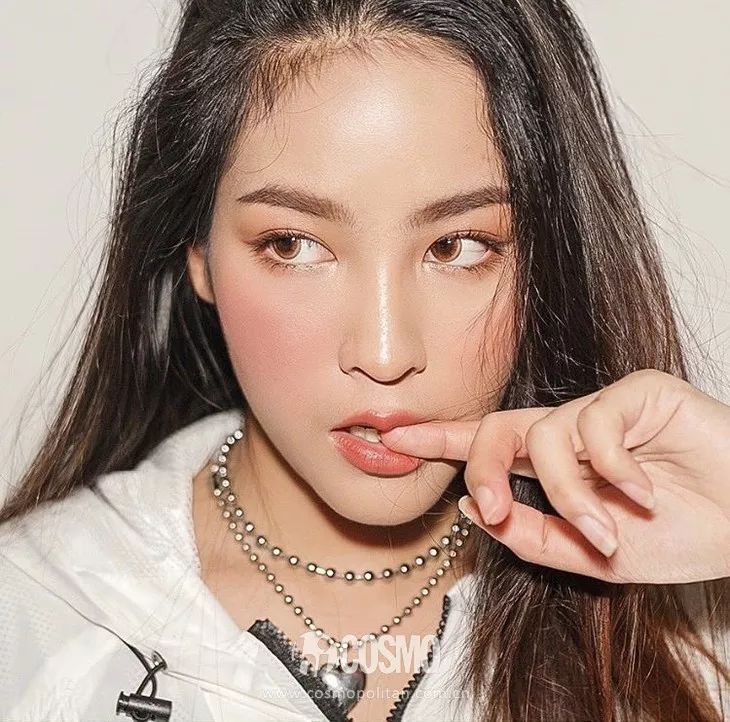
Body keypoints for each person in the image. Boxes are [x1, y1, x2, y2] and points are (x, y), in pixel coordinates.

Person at [0, 0, 728, 720]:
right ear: (199, 256)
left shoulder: (695, 614)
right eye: (292, 245)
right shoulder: (35, 620)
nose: (384, 354)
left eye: (457, 247)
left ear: (551, 258)